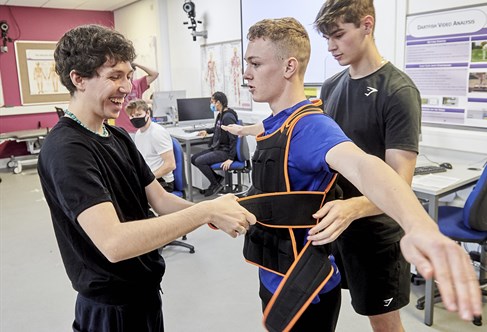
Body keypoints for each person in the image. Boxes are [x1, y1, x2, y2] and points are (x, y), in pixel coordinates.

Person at [224, 16, 481, 331]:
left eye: (255, 64)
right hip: (274, 275)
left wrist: (419, 225)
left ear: (289, 67)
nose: (245, 74)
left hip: (305, 291)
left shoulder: (311, 126)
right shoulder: (277, 123)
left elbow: (364, 165)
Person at [37, 24, 255, 332]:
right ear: (78, 79)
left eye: (127, 75)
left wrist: (217, 209)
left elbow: (161, 200)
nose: (126, 87)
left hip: (144, 295)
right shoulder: (67, 150)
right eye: (114, 76)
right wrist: (206, 210)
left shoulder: (116, 135)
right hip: (112, 309)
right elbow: (113, 242)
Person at [313, 1, 421, 330]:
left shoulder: (397, 91)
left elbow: (399, 185)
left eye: (339, 35)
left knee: (384, 323)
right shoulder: (331, 86)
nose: (331, 46)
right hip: (335, 229)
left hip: (376, 236)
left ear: (367, 25)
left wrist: (352, 208)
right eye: (327, 38)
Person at [191, 91, 238, 197]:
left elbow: (233, 139)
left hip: (225, 151)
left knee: (199, 161)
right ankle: (216, 179)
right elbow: (218, 128)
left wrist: (231, 158)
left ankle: (215, 184)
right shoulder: (221, 115)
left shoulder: (228, 117)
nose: (211, 104)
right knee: (193, 158)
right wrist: (207, 131)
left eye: (212, 102)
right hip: (218, 148)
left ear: (218, 102)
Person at [126, 99, 175, 192]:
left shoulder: (157, 132)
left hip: (162, 182)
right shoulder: (138, 133)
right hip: (150, 178)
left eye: (138, 115)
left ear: (147, 113)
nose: (135, 118)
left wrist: (146, 178)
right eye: (131, 116)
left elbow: (170, 165)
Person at [117, 61, 159, 132]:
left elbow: (155, 74)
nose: (128, 75)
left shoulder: (138, 84)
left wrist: (135, 63)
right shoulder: (117, 86)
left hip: (139, 128)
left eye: (130, 72)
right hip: (123, 129)